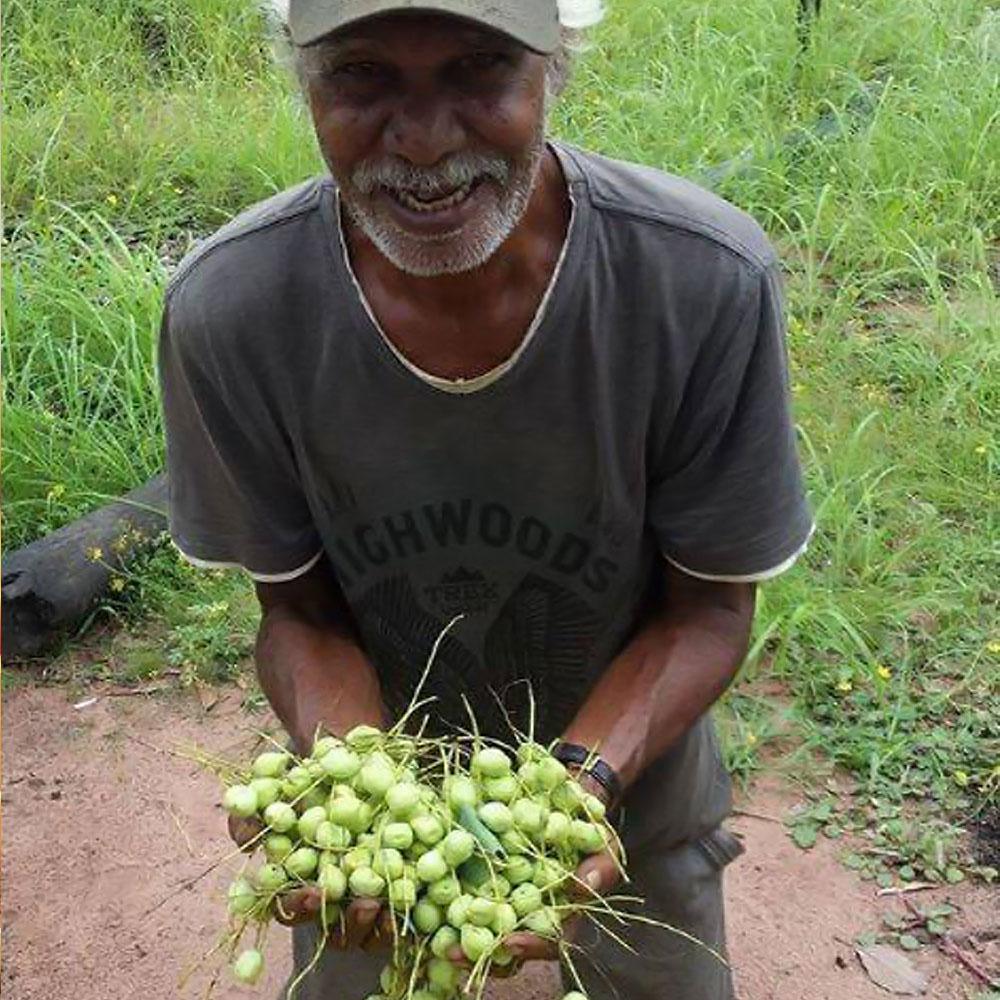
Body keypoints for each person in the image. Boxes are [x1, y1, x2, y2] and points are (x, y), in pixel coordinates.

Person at [158, 2, 813, 997]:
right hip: (377, 776)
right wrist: (354, 785)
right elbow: (297, 609)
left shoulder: (699, 281)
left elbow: (708, 607)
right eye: (363, 78)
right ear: (304, 84)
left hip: (636, 764)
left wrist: (578, 784)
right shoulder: (235, 308)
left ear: (554, 70)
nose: (423, 142)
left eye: (478, 71)